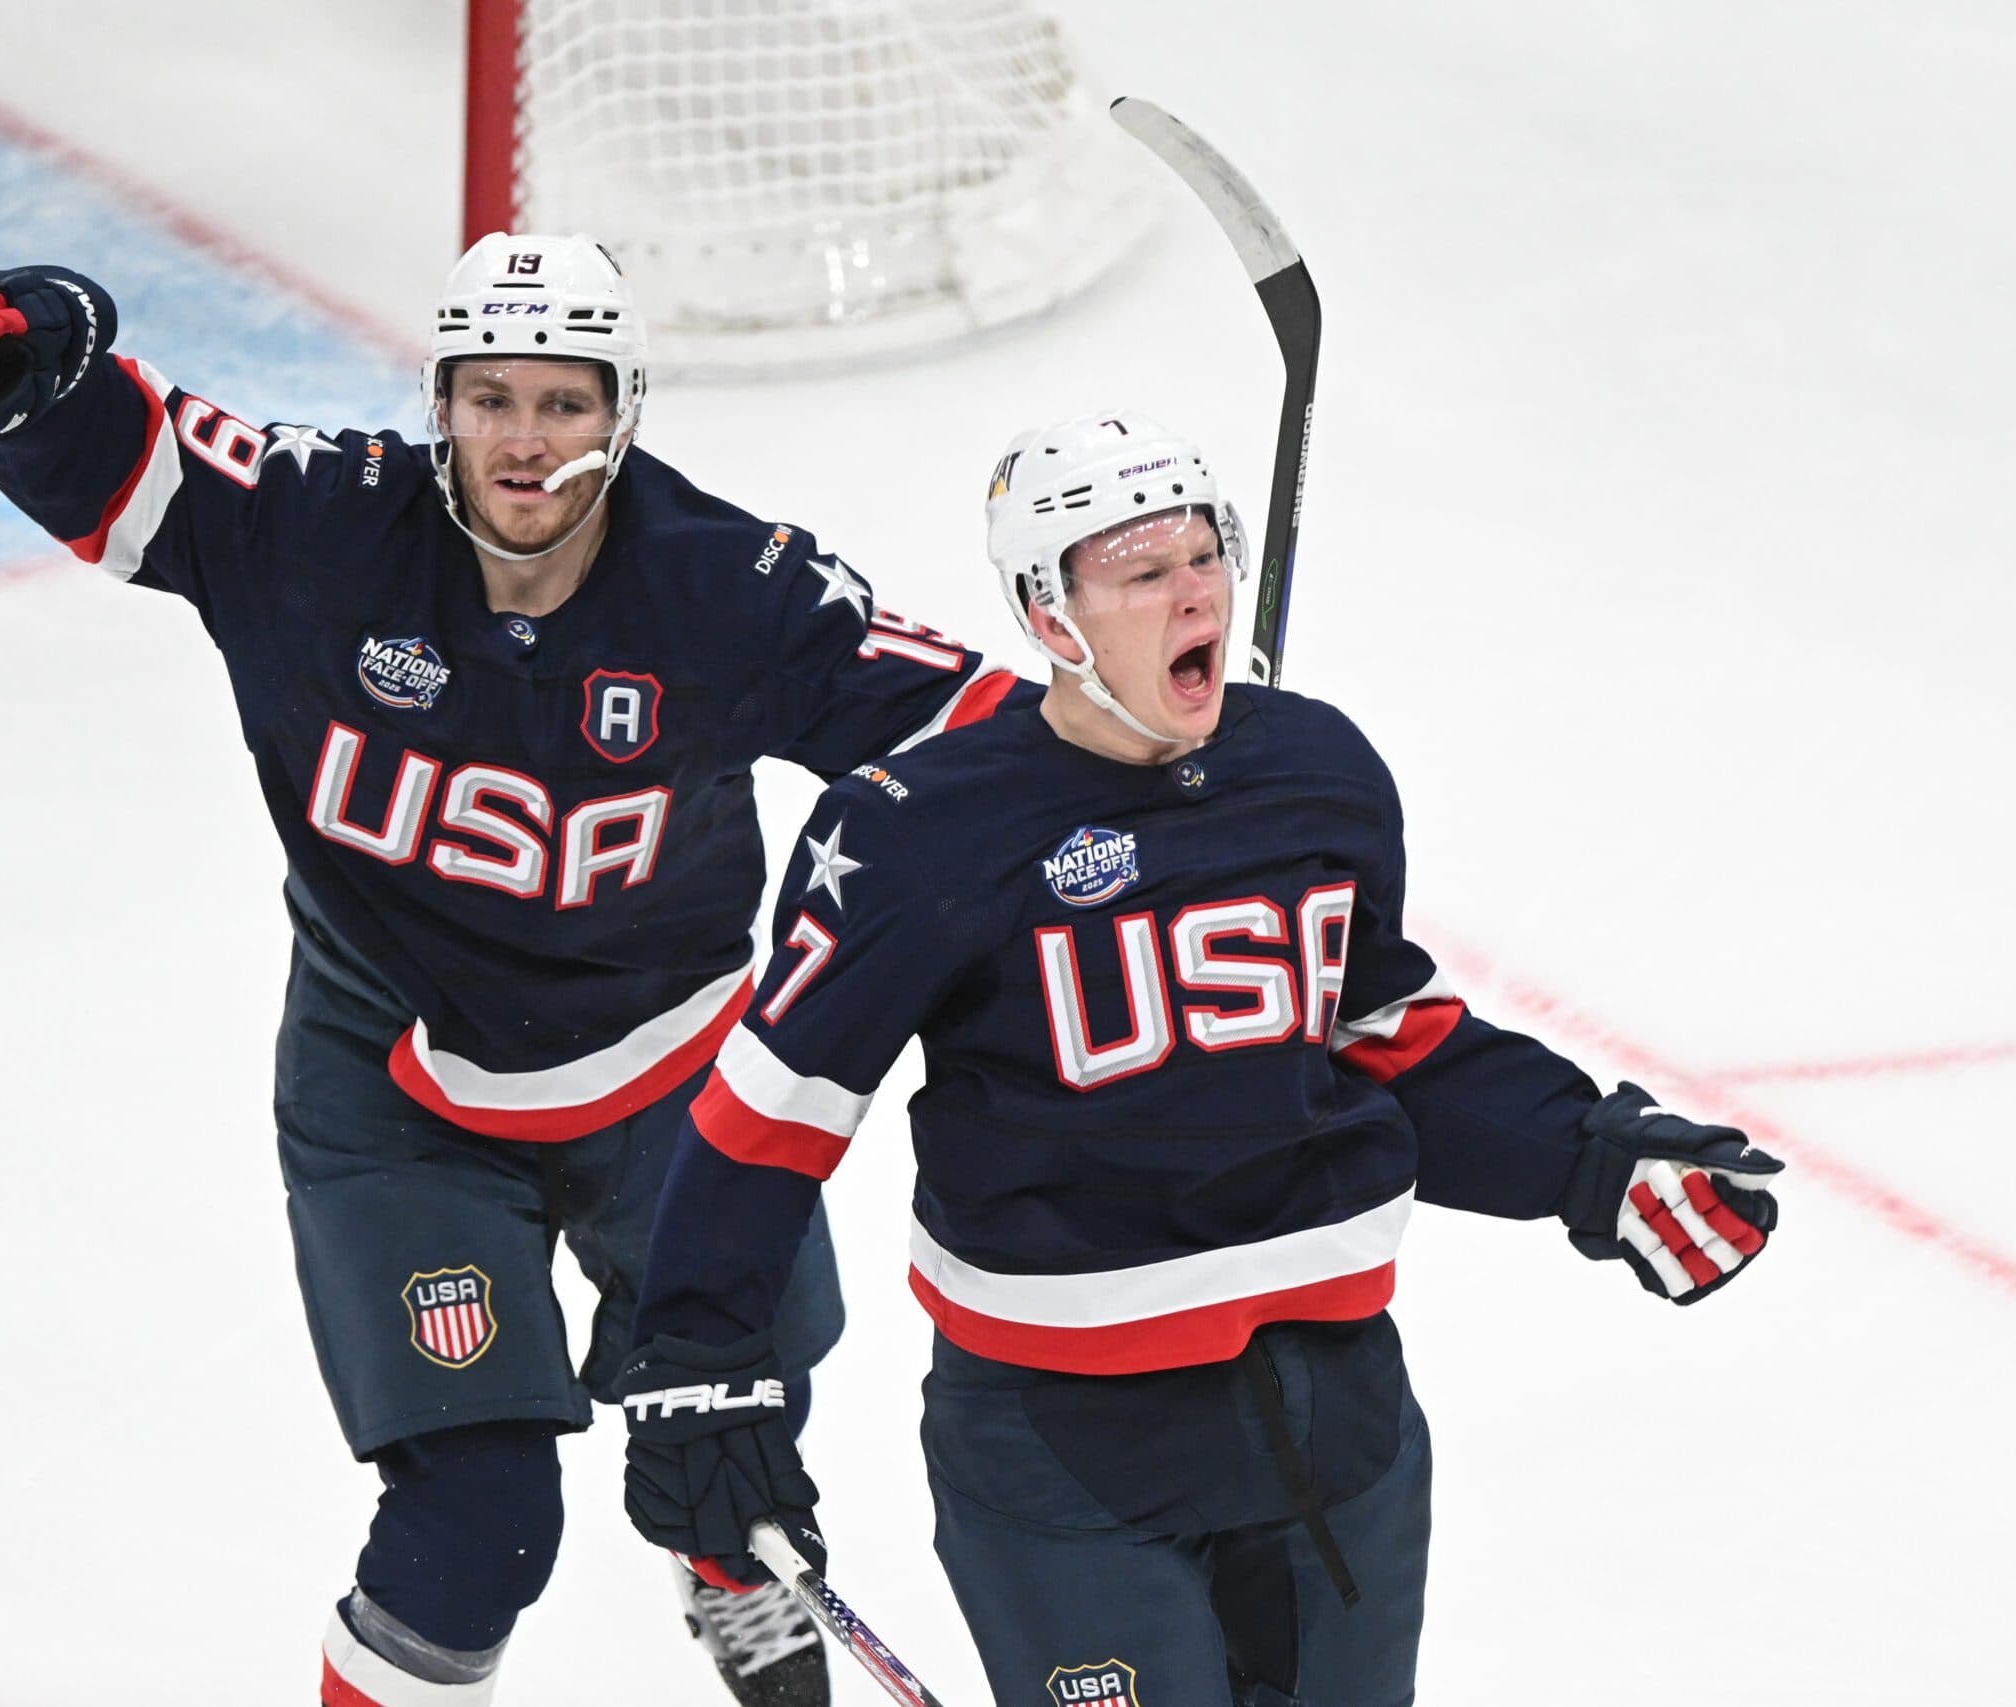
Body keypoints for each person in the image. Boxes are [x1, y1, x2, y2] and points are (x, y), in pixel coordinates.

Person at [0, 235, 1018, 1707]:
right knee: (476, 1536)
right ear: (438, 402)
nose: (525, 441)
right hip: (394, 1091)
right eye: (490, 398)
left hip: (675, 1098)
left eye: (563, 402)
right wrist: (17, 359)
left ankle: (732, 1572)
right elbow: (84, 435)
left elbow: (987, 748)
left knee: (736, 1467)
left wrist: (1178, 767)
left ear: (624, 410)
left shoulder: (728, 588)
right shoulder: (319, 524)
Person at [616, 412, 1784, 1706]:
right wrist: (703, 1369)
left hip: (1335, 1426)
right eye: (1139, 572)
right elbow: (771, 1119)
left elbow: (1384, 1037)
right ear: (1049, 614)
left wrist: (1584, 1160)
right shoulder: (922, 834)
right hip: (1067, 1452)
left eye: (1201, 557)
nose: (1191, 595)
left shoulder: (1314, 771)